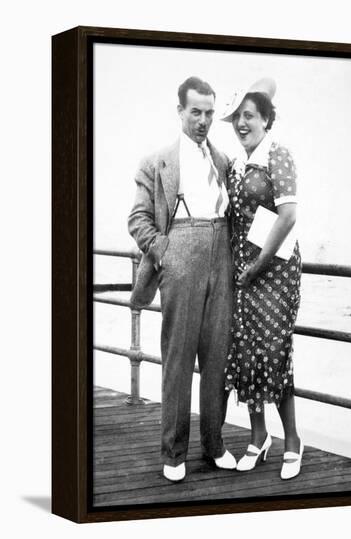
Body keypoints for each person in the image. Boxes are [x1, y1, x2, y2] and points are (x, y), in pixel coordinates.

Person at [128, 76, 236, 482]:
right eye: (196, 112)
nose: (203, 120)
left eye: (209, 113)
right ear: (180, 112)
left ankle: (214, 444)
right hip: (181, 254)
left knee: (217, 357)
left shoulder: (223, 161)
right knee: (178, 358)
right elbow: (137, 219)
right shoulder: (156, 162)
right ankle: (173, 452)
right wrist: (165, 251)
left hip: (221, 252)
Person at [221, 77, 303, 480]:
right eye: (237, 117)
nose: (241, 123)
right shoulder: (236, 163)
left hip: (276, 272)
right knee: (246, 350)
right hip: (243, 271)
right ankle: (258, 437)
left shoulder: (278, 154)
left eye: (249, 116)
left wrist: (258, 266)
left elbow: (288, 216)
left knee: (274, 351)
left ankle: (293, 441)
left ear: (266, 119)